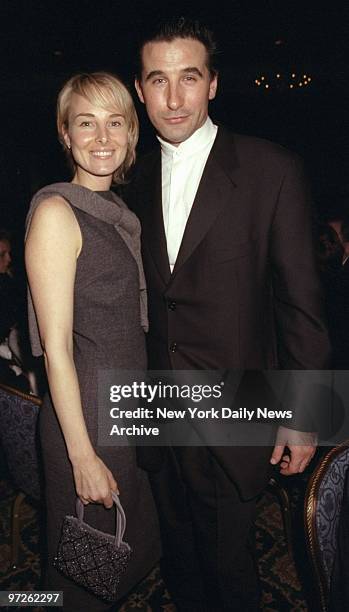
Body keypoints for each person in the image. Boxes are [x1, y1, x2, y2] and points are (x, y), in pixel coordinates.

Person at [125, 17, 331, 611]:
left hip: (236, 407)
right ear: (139, 90)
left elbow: (301, 304)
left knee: (232, 569)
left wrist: (305, 413)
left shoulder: (273, 169)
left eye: (188, 78)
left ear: (212, 84)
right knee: (179, 558)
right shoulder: (127, 176)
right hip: (151, 406)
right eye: (157, 80)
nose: (173, 97)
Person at [25, 73, 160, 612]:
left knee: (119, 554)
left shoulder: (121, 215)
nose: (101, 136)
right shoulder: (59, 213)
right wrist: (81, 454)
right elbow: (55, 348)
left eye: (115, 122)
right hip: (87, 418)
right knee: (83, 577)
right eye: (86, 122)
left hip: (125, 408)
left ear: (131, 135)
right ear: (65, 133)